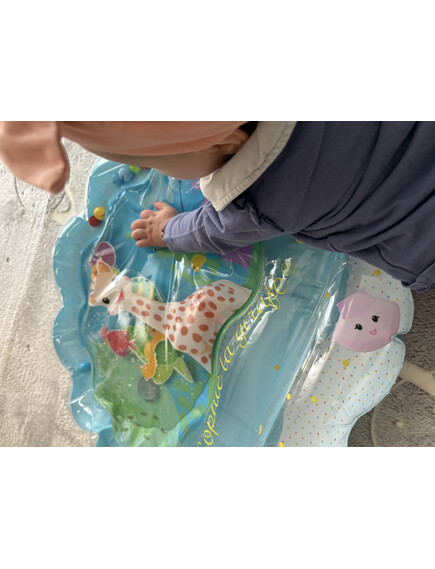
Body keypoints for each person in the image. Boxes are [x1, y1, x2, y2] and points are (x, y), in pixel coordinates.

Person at [1, 121, 434, 292]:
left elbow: (213, 230)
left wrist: (167, 230)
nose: (151, 169)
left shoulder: (256, 201)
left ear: (228, 143)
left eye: (153, 162)